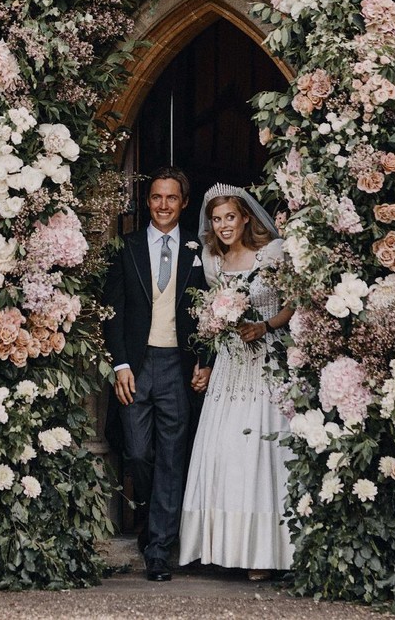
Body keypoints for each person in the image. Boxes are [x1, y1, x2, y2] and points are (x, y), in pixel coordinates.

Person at [179, 183, 295, 579]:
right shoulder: (212, 261)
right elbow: (212, 323)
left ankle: (264, 553)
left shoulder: (272, 253)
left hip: (267, 361)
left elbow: (292, 303)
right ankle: (224, 546)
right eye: (217, 219)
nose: (224, 225)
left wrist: (264, 324)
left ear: (246, 217)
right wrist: (207, 361)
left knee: (262, 454)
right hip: (230, 366)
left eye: (230, 217)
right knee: (226, 451)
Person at [103, 166, 211, 583]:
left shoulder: (197, 251)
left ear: (184, 203)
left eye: (171, 198)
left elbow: (209, 315)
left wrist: (203, 360)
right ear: (146, 202)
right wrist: (120, 364)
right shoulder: (126, 247)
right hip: (136, 364)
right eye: (156, 197)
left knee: (171, 458)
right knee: (138, 453)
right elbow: (112, 312)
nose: (163, 205)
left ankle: (159, 549)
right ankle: (150, 520)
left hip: (176, 367)